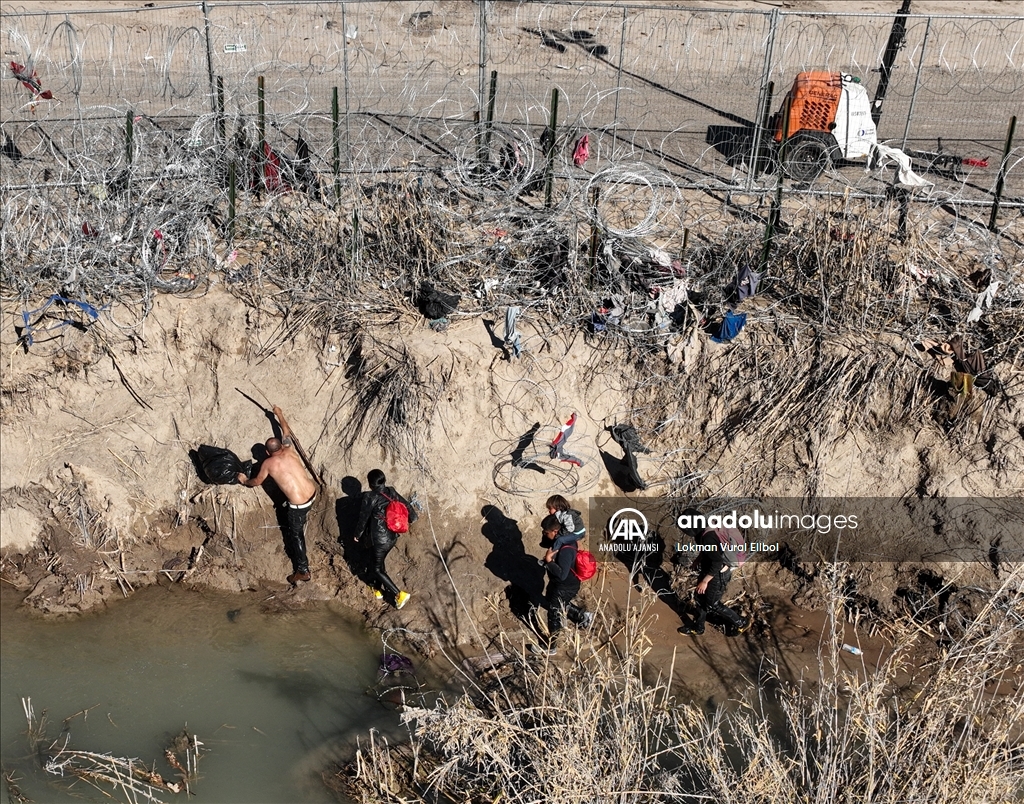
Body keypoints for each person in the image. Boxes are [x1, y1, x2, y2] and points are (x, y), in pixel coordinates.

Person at [237, 405, 318, 585]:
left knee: (295, 534)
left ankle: (303, 570)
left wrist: (244, 480)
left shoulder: (268, 463)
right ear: (281, 446)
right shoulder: (289, 449)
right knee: (293, 509)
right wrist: (279, 414)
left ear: (267, 453)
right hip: (313, 494)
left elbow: (256, 482)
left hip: (299, 506)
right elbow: (285, 430)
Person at [355, 469, 418, 609]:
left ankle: (399, 594)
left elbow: (363, 518)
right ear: (384, 480)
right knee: (377, 562)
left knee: (377, 568)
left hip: (380, 540)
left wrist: (357, 534)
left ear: (370, 484)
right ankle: (378, 590)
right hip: (392, 537)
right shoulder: (391, 491)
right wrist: (413, 517)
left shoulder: (370, 497)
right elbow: (406, 504)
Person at [535, 514, 593, 654]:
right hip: (562, 585)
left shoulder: (566, 549)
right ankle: (582, 615)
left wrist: (549, 561)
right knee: (556, 603)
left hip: (565, 586)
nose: (544, 534)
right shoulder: (564, 540)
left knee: (554, 613)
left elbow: (562, 575)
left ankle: (551, 647)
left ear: (555, 532)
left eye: (545, 532)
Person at [678, 526, 748, 637]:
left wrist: (705, 582)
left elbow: (717, 562)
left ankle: (741, 622)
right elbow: (709, 549)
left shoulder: (708, 537)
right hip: (709, 570)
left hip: (718, 574)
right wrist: (698, 560)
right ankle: (698, 628)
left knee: (713, 604)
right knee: (699, 597)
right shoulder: (704, 531)